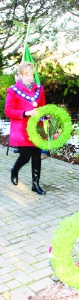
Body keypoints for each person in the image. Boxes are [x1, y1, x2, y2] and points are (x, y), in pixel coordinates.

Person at [5, 61, 46, 195]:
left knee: (36, 156)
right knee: (25, 157)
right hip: (22, 129)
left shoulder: (40, 89)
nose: (29, 77)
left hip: (36, 128)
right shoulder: (12, 90)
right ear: (20, 75)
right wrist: (25, 113)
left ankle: (36, 184)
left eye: (31, 75)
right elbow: (8, 111)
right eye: (26, 75)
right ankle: (14, 170)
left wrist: (47, 114)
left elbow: (43, 107)